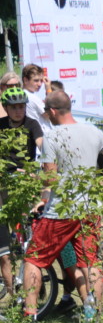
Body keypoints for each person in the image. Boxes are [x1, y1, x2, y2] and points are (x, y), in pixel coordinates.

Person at [21, 91, 103, 323]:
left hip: (61, 212)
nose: (46, 116)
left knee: (34, 260)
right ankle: (94, 318)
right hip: (89, 208)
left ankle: (30, 319)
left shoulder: (52, 136)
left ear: (53, 111)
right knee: (90, 262)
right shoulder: (92, 131)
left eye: (46, 112)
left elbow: (50, 178)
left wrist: (32, 181)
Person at [0, 81, 44, 298]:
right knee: (4, 246)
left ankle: (38, 286)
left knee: (32, 235)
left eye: (22, 106)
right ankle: (13, 296)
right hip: (3, 183)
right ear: (6, 108)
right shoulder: (0, 126)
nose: (18, 111)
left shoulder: (32, 124)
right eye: (14, 107)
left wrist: (42, 167)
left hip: (26, 182)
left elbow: (42, 144)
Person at [21, 64, 49, 135]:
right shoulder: (32, 97)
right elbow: (50, 116)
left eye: (41, 81)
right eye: (36, 80)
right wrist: (49, 90)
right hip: (42, 135)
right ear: (25, 80)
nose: (40, 84)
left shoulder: (22, 94)